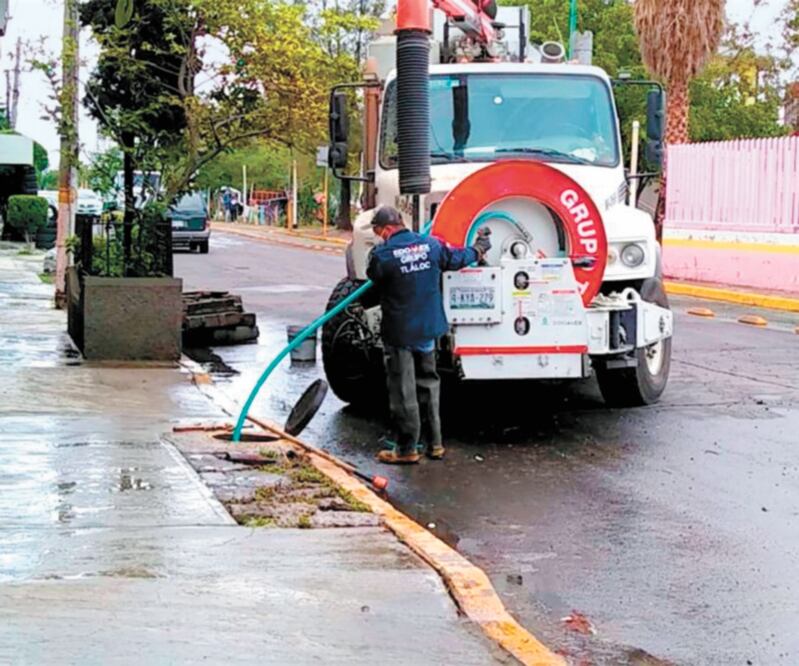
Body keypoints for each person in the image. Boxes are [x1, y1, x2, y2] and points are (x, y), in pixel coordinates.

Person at [366, 206, 491, 465]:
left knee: (403, 390)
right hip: (428, 329)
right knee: (429, 383)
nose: (379, 237)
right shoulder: (431, 245)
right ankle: (435, 444)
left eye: (378, 232)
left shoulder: (384, 254)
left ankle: (406, 449)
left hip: (401, 332)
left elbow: (373, 276)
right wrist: (479, 249)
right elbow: (457, 259)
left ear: (387, 229)